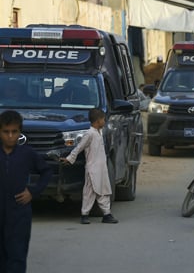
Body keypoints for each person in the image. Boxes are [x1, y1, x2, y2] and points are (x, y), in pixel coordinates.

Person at [0, 110, 51, 272]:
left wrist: (33, 192)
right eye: (5, 132)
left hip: (19, 215)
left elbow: (46, 172)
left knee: (17, 257)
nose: (10, 136)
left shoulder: (27, 154)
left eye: (14, 132)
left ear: (20, 132)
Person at [60, 108, 118, 224]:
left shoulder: (99, 132)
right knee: (89, 192)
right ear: (97, 121)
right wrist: (70, 158)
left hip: (101, 169)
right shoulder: (89, 134)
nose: (104, 121)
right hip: (92, 169)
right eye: (103, 119)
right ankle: (85, 214)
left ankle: (107, 214)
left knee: (104, 190)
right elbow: (79, 147)